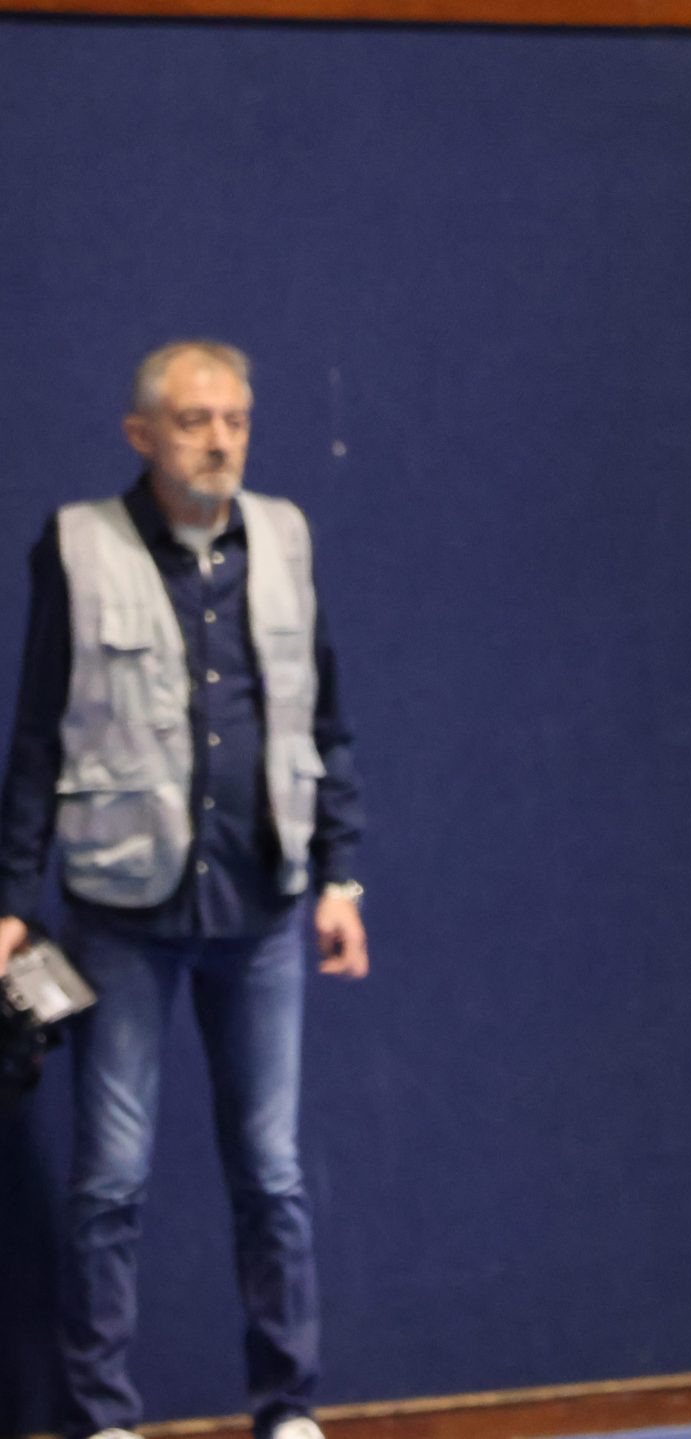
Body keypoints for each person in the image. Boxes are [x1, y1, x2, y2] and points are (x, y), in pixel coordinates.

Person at [0, 339, 369, 1439]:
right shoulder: (79, 545)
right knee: (110, 1179)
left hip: (264, 907)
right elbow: (36, 734)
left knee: (273, 1173)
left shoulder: (285, 536)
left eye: (235, 420)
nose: (219, 440)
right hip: (122, 912)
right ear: (142, 433)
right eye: (196, 419)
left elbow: (325, 718)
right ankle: (103, 1418)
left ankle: (288, 1408)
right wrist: (12, 897)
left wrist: (341, 874)